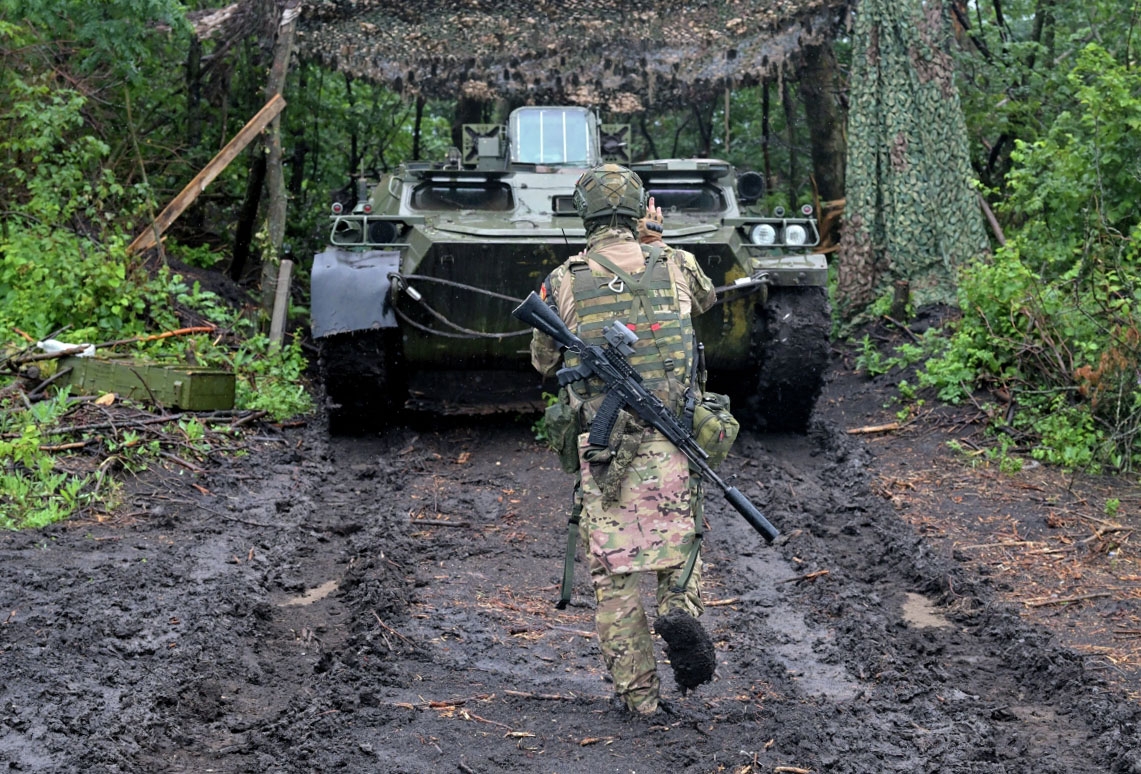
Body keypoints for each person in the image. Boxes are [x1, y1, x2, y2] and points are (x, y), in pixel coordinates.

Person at [530, 163, 718, 716]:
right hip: (674, 436)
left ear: (583, 214)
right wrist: (654, 242)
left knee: (614, 577)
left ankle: (639, 698)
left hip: (606, 447)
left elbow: (543, 361)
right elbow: (705, 301)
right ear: (639, 212)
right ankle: (679, 608)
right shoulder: (678, 264)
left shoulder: (564, 280)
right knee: (682, 544)